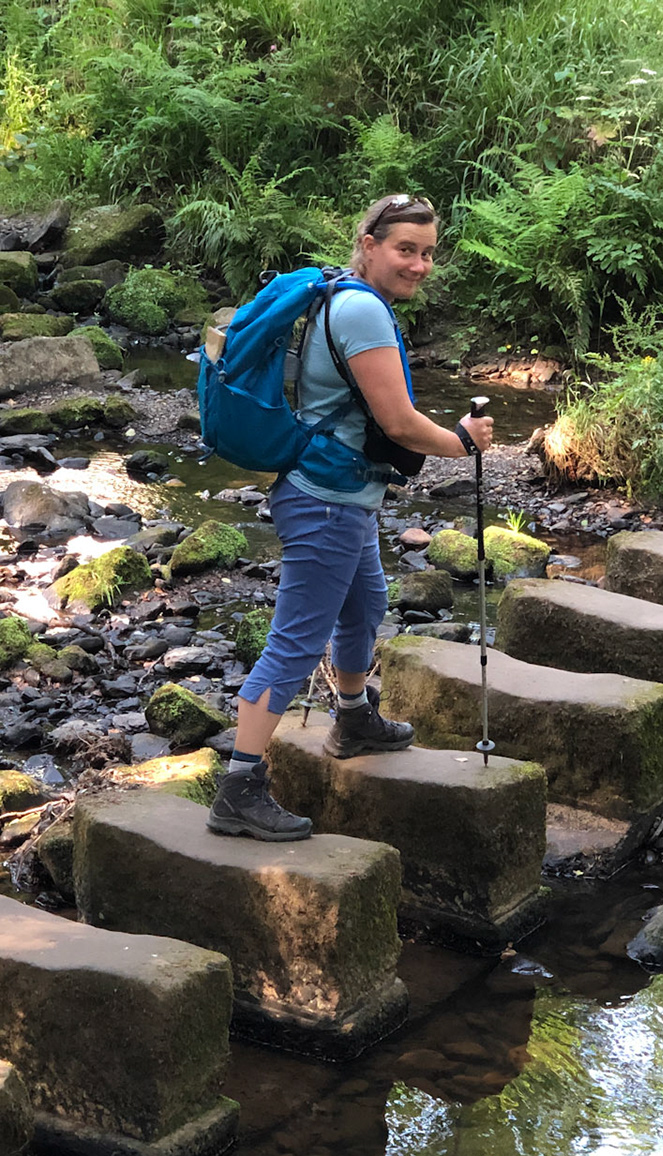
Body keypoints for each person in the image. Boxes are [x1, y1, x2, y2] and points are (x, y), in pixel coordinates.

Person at [207, 194, 495, 841]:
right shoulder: (362, 310)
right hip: (327, 504)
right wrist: (464, 441)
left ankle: (354, 716)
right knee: (295, 641)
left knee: (365, 606)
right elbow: (398, 423)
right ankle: (240, 787)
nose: (420, 264)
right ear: (368, 243)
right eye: (405, 250)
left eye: (427, 253)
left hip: (340, 497)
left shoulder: (342, 297)